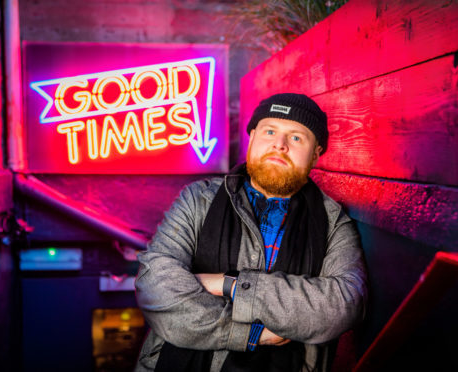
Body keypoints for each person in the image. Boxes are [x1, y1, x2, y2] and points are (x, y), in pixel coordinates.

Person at [135, 93, 368, 372]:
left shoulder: (332, 222)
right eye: (270, 131)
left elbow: (345, 305)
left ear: (316, 152)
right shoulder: (199, 200)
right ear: (253, 136)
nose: (279, 145)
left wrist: (229, 284)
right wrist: (252, 335)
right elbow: (155, 287)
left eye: (296, 137)